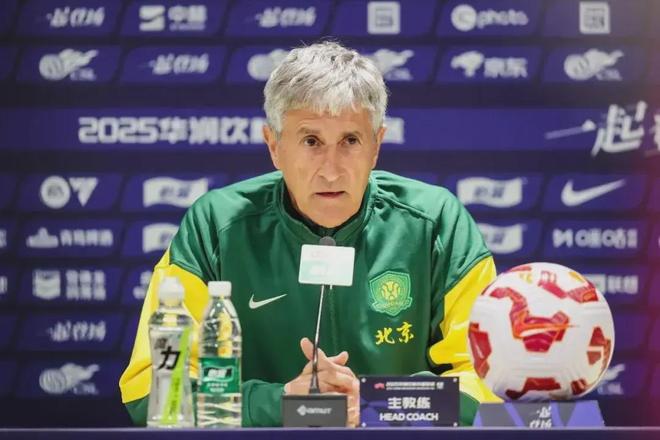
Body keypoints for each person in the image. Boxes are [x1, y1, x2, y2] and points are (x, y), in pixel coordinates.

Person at [119, 41, 501, 428]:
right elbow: (153, 391)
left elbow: (489, 385)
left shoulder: (437, 222)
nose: (331, 171)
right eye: (311, 141)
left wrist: (378, 402)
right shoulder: (215, 226)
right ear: (274, 146)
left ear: (376, 146)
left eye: (350, 141)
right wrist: (282, 403)